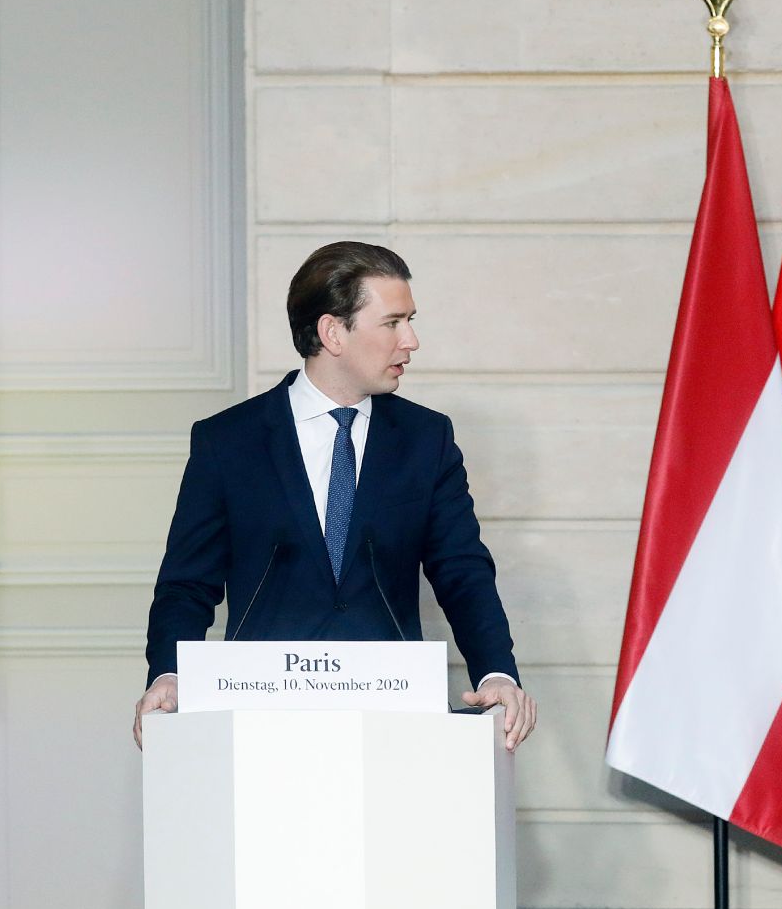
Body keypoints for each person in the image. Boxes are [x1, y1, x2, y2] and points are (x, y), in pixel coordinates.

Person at [134, 241, 536, 750]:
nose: (411, 340)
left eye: (410, 321)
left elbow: (463, 572)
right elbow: (186, 585)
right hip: (258, 722)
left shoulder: (426, 439)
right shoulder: (228, 441)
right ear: (332, 333)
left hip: (393, 721)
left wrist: (495, 672)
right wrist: (167, 674)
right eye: (392, 323)